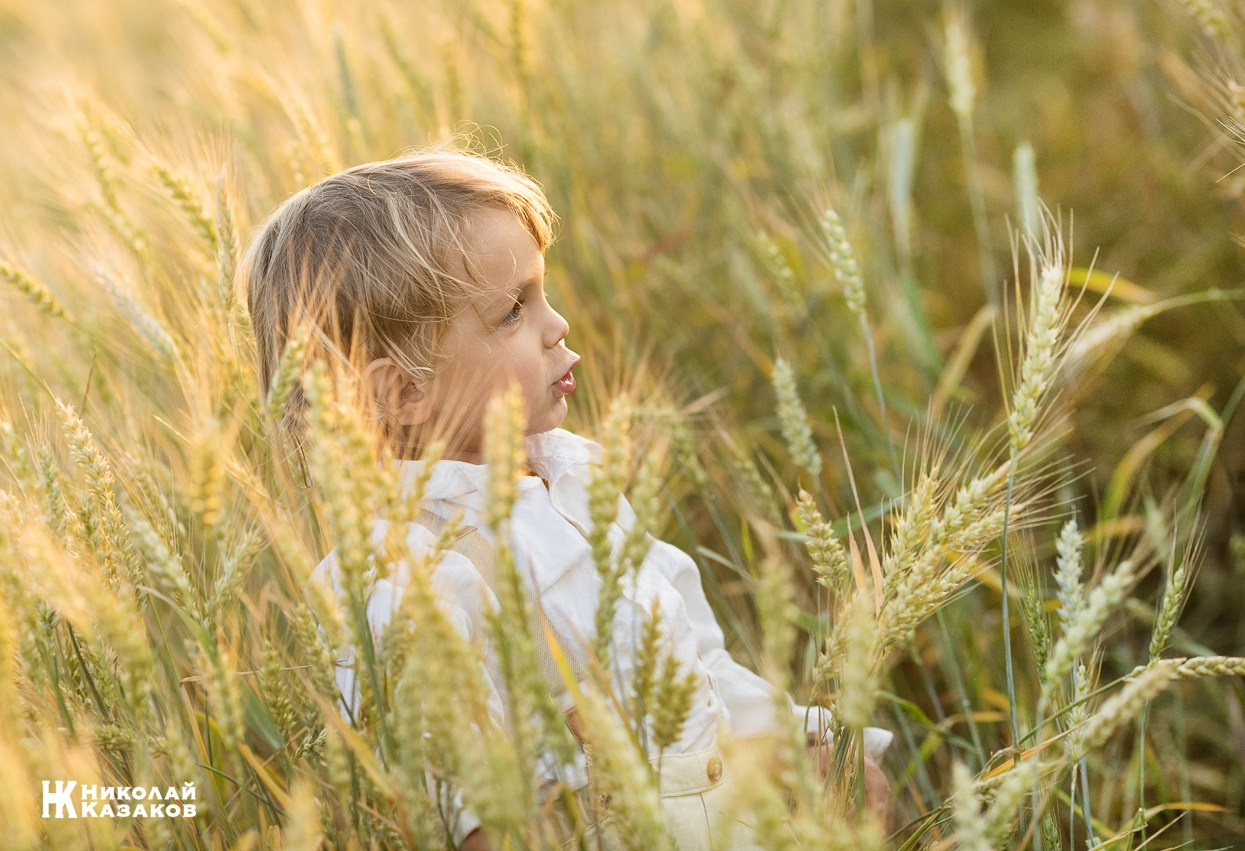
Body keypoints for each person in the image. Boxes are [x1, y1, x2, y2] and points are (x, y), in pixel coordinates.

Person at [243, 146, 890, 848]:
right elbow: (463, 812)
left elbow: (699, 664)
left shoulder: (582, 485)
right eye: (513, 311)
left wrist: (806, 746)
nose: (558, 326)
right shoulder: (403, 578)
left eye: (543, 293)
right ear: (404, 390)